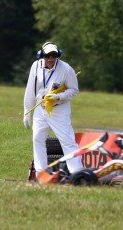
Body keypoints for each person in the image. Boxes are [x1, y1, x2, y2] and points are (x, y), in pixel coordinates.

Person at [23, 41, 83, 177]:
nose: (50, 58)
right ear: (41, 55)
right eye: (47, 55)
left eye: (53, 55)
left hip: (59, 109)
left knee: (67, 141)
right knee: (37, 139)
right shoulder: (36, 66)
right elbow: (30, 91)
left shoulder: (67, 69)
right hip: (40, 109)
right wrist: (27, 112)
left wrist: (58, 97)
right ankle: (40, 174)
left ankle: (77, 174)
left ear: (58, 55)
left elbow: (74, 90)